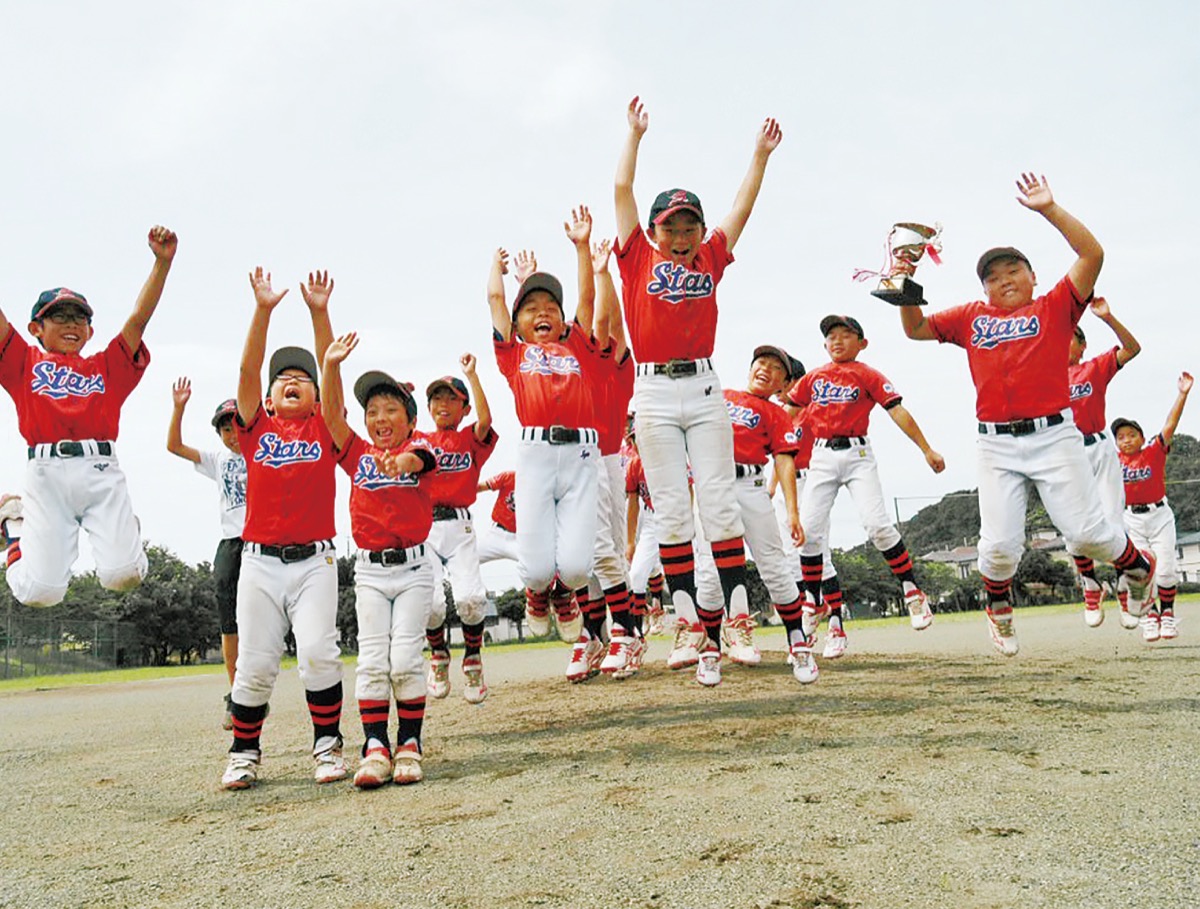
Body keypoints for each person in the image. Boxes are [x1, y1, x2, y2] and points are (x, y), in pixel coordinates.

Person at [896, 173, 1157, 655]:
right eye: (992, 276)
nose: (1003, 280)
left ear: (1033, 276)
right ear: (985, 288)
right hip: (995, 442)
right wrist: (905, 279)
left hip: (1055, 436)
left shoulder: (1056, 306)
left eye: (1013, 270)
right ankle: (998, 607)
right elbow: (915, 330)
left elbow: (1092, 255)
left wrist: (1049, 210)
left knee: (1085, 533)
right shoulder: (972, 316)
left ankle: (1138, 567)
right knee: (997, 546)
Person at [613, 96, 782, 687]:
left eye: (689, 225)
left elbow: (742, 208)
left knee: (719, 500)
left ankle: (735, 620)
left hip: (705, 385)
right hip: (654, 392)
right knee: (672, 511)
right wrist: (634, 137)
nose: (681, 235)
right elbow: (621, 191)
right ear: (655, 231)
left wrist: (758, 156)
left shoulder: (711, 254)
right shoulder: (635, 257)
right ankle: (689, 624)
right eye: (671, 226)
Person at [0, 226, 177, 607]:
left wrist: (162, 264)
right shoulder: (22, 361)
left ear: (90, 329)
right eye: (58, 316)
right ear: (36, 328)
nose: (70, 323)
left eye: (79, 318)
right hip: (46, 476)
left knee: (124, 576)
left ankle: (123, 534)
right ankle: (13, 527)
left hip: (99, 470)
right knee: (39, 594)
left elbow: (137, 322)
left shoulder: (105, 367)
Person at [221, 268, 345, 791]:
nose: (291, 380)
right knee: (254, 662)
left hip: (315, 561)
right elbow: (248, 371)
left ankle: (327, 746)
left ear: (316, 396)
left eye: (303, 378)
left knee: (318, 650)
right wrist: (263, 311)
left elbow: (333, 378)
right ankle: (244, 752)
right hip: (260, 561)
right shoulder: (256, 430)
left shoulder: (324, 426)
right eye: (282, 379)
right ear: (269, 399)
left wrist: (320, 316)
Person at [320, 331, 438, 788]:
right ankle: (375, 746)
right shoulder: (357, 454)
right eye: (372, 412)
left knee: (406, 657)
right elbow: (331, 416)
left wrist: (402, 462)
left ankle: (410, 743)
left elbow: (419, 461)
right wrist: (330, 366)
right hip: (369, 570)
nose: (380, 418)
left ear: (409, 419)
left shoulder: (421, 445)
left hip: (413, 569)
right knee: (371, 660)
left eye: (391, 410)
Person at [489, 208, 603, 678]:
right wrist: (494, 270)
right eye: (531, 310)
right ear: (518, 325)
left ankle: (564, 590)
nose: (543, 314)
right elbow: (495, 299)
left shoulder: (574, 346)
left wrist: (581, 247)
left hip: (580, 454)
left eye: (550, 309)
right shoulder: (512, 354)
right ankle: (542, 590)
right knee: (535, 569)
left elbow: (588, 300)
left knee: (577, 568)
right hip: (536, 454)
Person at [788, 314, 943, 638]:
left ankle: (913, 591)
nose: (838, 341)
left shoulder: (867, 374)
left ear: (862, 343)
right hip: (822, 455)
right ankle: (813, 601)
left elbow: (897, 409)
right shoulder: (814, 377)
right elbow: (785, 414)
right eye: (831, 336)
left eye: (846, 334)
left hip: (858, 455)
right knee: (809, 533)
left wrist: (926, 449)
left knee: (877, 525)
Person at [693, 345, 818, 685]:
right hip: (714, 483)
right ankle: (710, 649)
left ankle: (797, 641)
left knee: (775, 567)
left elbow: (784, 460)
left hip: (751, 485)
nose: (767, 369)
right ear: (750, 368)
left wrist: (792, 511)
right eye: (762, 362)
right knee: (708, 571)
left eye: (777, 368)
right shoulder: (720, 395)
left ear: (784, 384)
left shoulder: (776, 413)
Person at [166, 378, 247, 729]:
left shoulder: (264, 452)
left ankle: (258, 688)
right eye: (225, 430)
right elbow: (174, 446)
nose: (232, 435)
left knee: (265, 623)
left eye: (237, 427)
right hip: (231, 544)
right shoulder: (218, 460)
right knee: (229, 625)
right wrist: (179, 408)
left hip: (264, 544)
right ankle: (236, 695)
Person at [418, 355, 497, 705]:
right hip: (424, 527)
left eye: (451, 398)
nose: (443, 404)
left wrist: (472, 376)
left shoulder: (469, 439)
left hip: (460, 524)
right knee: (431, 604)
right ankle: (438, 656)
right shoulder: (418, 440)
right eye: (437, 398)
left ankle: (473, 657)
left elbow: (487, 420)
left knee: (470, 599)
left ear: (464, 408)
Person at [1066, 296, 1140, 628]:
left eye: (1069, 335)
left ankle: (1125, 584)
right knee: (1073, 528)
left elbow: (1132, 348)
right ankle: (1091, 583)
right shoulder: (1041, 376)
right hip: (1066, 454)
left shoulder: (1093, 367)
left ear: (1081, 345)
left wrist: (1109, 317)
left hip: (1099, 449)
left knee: (1113, 523)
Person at [770, 357, 849, 659]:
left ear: (797, 382)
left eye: (783, 378)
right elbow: (780, 457)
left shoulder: (816, 412)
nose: (778, 385)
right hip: (784, 488)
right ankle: (807, 623)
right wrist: (771, 489)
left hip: (812, 484)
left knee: (818, 554)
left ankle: (837, 625)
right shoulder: (778, 414)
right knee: (791, 561)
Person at [1113, 371, 1193, 642]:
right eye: (1121, 436)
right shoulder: (1113, 461)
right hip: (1132, 521)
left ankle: (1167, 615)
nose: (1126, 440)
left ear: (1141, 437)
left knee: (1167, 569)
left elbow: (1170, 425)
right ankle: (1150, 617)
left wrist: (1182, 394)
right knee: (1140, 571)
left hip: (1159, 516)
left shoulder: (1153, 452)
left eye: (1131, 434)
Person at [476, 470, 518, 565]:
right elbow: (480, 487)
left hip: (519, 539)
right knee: (468, 559)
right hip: (496, 534)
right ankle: (447, 579)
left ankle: (557, 579)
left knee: (538, 569)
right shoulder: (509, 476)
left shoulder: (541, 487)